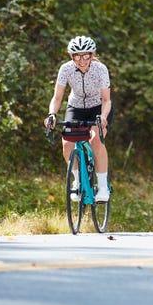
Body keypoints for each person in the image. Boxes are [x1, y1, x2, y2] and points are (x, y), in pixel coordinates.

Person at [44, 36, 112, 202]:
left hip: (98, 107)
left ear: (91, 55)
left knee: (96, 140)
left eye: (85, 56)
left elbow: (106, 100)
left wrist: (103, 117)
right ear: (71, 57)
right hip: (76, 107)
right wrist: (52, 114)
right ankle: (76, 181)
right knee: (67, 143)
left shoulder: (100, 69)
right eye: (77, 56)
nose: (82, 60)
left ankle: (102, 187)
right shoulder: (65, 69)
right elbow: (57, 97)